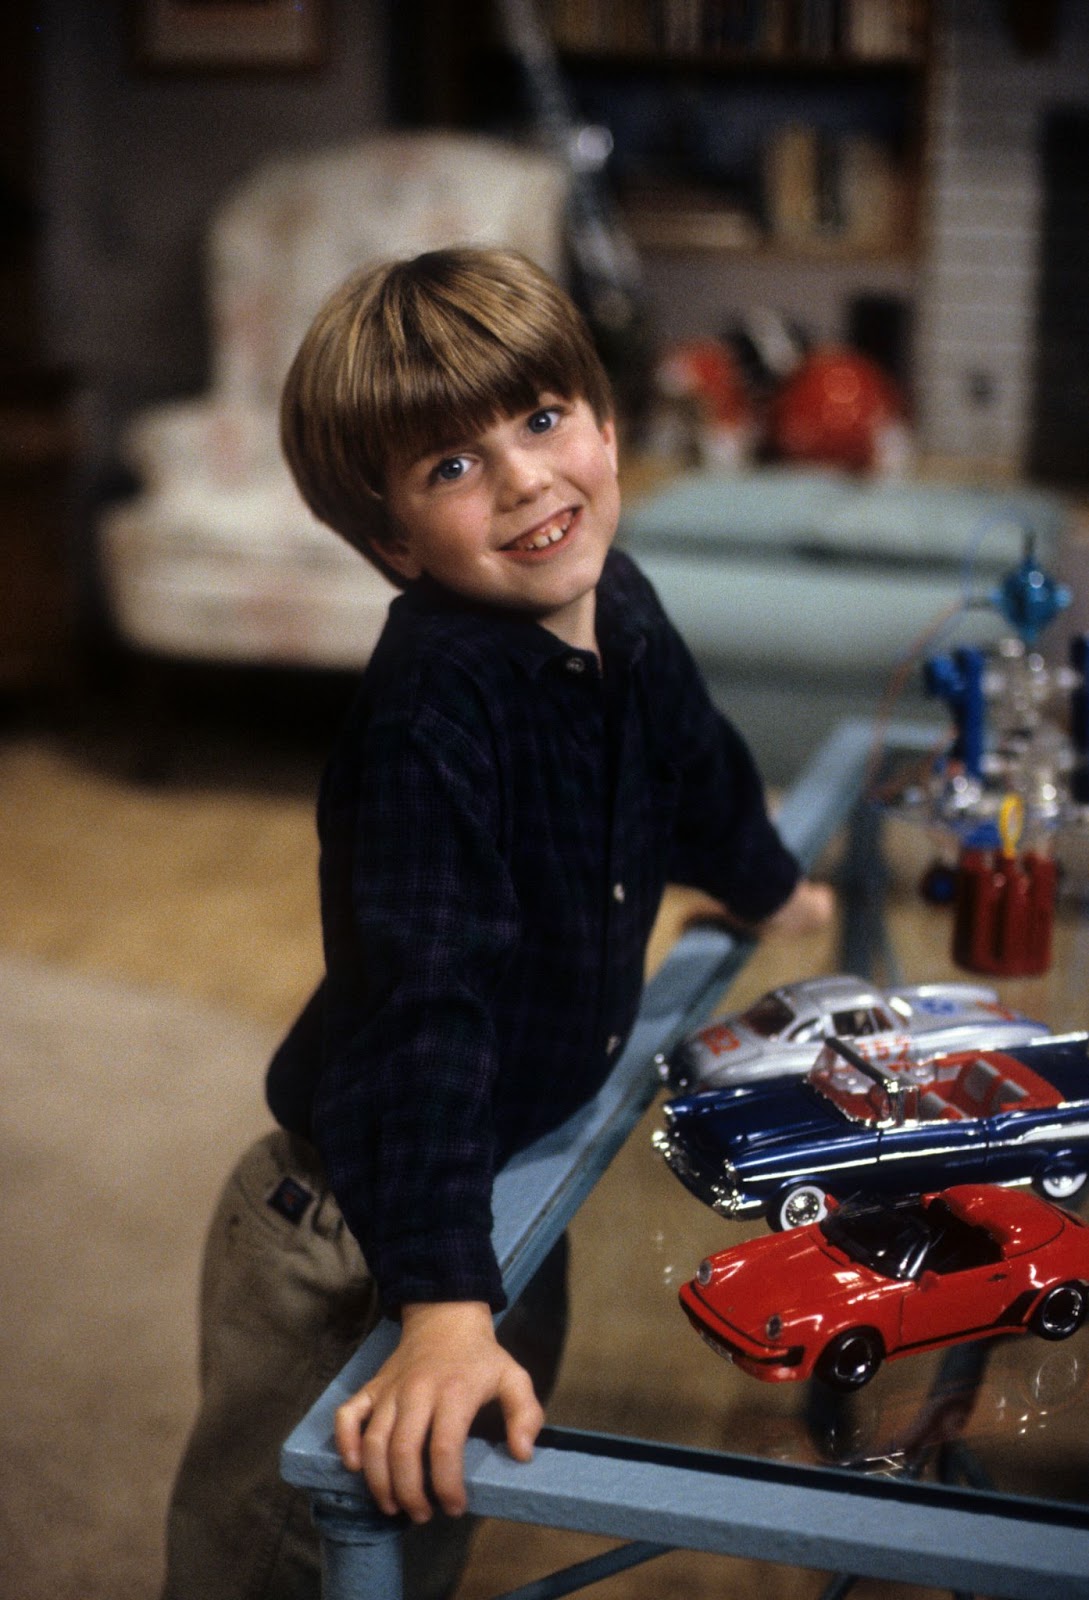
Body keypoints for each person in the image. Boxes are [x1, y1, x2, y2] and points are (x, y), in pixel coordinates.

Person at [160, 246, 833, 1600]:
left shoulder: (621, 602)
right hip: (361, 1230)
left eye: (539, 420)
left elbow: (692, 763)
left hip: (508, 1182)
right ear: (394, 540)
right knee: (287, 1560)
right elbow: (425, 1014)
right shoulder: (428, 721)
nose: (526, 478)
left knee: (430, 1533)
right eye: (452, 465)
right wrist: (445, 1307)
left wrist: (768, 885)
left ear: (600, 418)